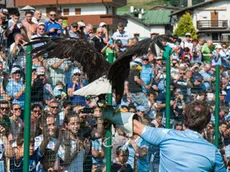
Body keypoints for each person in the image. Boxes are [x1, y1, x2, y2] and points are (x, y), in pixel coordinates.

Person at [133, 101, 226, 171]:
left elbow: (133, 125)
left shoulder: (166, 135)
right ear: (207, 123)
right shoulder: (213, 152)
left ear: (184, 115)